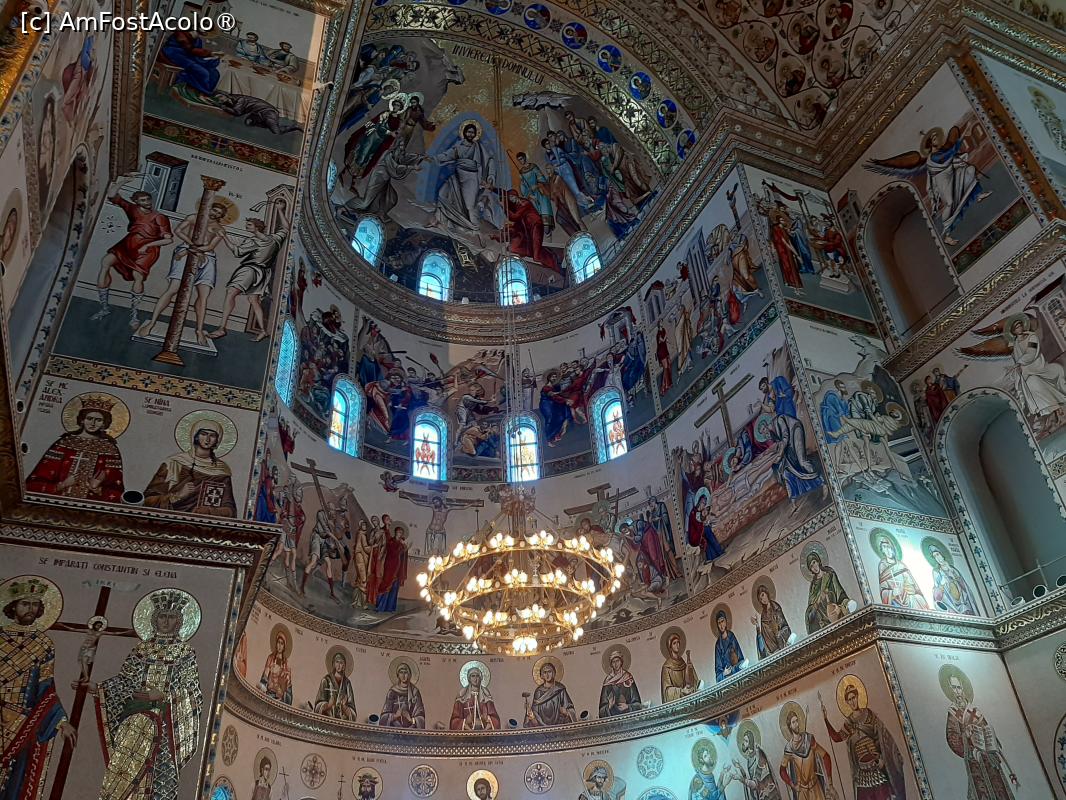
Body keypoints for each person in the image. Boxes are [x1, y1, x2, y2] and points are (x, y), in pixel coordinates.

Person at [92, 589, 203, 800]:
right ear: (154, 619)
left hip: (167, 724)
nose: (166, 621)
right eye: (162, 616)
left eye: (171, 617)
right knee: (127, 768)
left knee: (159, 777)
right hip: (134, 718)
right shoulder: (142, 650)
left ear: (179, 622)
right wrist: (99, 688)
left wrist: (162, 695)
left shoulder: (184, 652)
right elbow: (125, 680)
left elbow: (192, 690)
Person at [0, 577, 76, 800]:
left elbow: (46, 686)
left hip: (21, 722)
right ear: (13, 606)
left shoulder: (43, 644)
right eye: (25, 604)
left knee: (12, 780)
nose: (30, 609)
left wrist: (61, 721)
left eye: (35, 605)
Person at [137, 201, 233, 345]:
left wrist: (196, 251)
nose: (215, 214)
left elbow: (210, 246)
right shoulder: (193, 218)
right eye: (214, 210)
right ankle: (152, 323)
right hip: (185, 250)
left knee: (203, 296)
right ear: (209, 208)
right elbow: (178, 231)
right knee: (173, 289)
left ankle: (199, 330)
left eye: (219, 213)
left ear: (221, 216)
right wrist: (191, 247)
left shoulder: (219, 229)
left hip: (207, 258)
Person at [91, 189, 174, 325]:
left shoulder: (159, 217)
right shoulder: (133, 209)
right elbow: (111, 195)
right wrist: (124, 181)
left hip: (146, 250)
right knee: (106, 261)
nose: (147, 202)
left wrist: (147, 245)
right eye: (143, 200)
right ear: (136, 202)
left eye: (148, 199)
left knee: (138, 275)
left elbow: (168, 239)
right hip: (127, 246)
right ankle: (104, 307)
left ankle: (134, 315)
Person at [26, 395, 125, 502]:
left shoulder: (109, 450)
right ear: (82, 420)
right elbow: (35, 482)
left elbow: (116, 491)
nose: (93, 423)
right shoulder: (64, 443)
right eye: (89, 418)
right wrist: (62, 485)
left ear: (104, 424)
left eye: (98, 420)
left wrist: (97, 489)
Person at [822, 681, 906, 800]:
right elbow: (836, 738)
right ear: (847, 702)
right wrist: (826, 720)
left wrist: (882, 758)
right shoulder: (849, 723)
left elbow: (881, 737)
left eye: (854, 697)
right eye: (849, 699)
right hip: (862, 773)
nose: (852, 701)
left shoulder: (869, 715)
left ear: (857, 697)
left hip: (876, 767)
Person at [943, 667, 1017, 799]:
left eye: (959, 687)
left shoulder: (974, 711)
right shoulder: (953, 713)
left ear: (963, 688)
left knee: (999, 789)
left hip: (989, 759)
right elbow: (952, 736)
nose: (957, 691)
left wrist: (992, 741)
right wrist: (965, 735)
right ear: (950, 689)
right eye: (954, 688)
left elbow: (987, 730)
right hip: (974, 759)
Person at [209, 218, 287, 341]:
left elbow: (237, 252)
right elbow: (286, 228)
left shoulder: (253, 241)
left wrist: (224, 237)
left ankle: (222, 328)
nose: (247, 227)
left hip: (250, 270)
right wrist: (280, 211)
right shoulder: (275, 239)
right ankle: (263, 331)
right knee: (254, 300)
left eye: (249, 225)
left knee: (231, 292)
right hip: (263, 273)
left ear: (257, 227)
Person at [427, 122, 500, 231]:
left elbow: (489, 160)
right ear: (464, 132)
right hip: (458, 175)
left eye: (473, 132)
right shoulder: (459, 146)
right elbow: (448, 155)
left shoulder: (478, 147)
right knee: (443, 193)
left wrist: (490, 177)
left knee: (469, 205)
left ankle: (474, 227)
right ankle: (438, 220)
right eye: (469, 132)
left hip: (471, 177)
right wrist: (434, 158)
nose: (470, 134)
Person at [778, 705, 834, 800]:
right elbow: (782, 771)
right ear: (790, 726)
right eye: (793, 722)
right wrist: (792, 785)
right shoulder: (789, 748)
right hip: (802, 792)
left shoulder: (809, 739)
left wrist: (830, 782)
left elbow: (826, 756)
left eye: (797, 721)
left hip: (815, 787)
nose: (796, 724)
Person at [875, 533, 929, 610]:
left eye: (889, 547)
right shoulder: (882, 565)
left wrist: (909, 590)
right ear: (882, 550)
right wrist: (892, 593)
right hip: (895, 601)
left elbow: (912, 585)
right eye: (885, 547)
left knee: (919, 599)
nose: (888, 550)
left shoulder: (901, 565)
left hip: (909, 598)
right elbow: (883, 589)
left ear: (893, 549)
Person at [804, 550, 851, 633]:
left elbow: (840, 594)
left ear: (818, 561)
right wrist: (818, 601)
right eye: (811, 566)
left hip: (834, 614)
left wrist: (841, 607)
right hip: (822, 621)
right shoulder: (813, 585)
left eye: (814, 562)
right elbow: (811, 609)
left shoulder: (830, 575)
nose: (814, 567)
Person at [733, 726, 783, 800]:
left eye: (746, 741)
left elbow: (756, 784)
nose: (743, 743)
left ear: (750, 742)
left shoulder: (759, 756)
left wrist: (740, 779)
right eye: (744, 741)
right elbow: (750, 778)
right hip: (760, 795)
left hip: (769, 795)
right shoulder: (749, 760)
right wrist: (740, 767)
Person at [929, 545, 978, 615]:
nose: (937, 558)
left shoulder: (953, 569)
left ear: (942, 554)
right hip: (950, 603)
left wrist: (954, 575)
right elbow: (937, 595)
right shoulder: (936, 572)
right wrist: (942, 584)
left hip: (962, 600)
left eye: (938, 554)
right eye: (935, 556)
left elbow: (964, 586)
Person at [524, 660, 575, 727]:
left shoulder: (560, 689)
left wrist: (566, 712)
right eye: (545, 672)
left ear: (554, 673)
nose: (547, 675)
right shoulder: (538, 691)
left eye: (549, 672)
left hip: (560, 725)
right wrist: (531, 715)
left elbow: (569, 707)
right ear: (541, 675)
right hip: (542, 727)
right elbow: (535, 711)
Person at [450, 665, 500, 730]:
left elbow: (496, 720)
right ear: (469, 678)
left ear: (481, 678)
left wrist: (488, 719)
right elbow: (454, 721)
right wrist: (465, 722)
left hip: (485, 732)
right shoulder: (462, 698)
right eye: (473, 676)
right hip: (466, 733)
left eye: (477, 676)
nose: (475, 679)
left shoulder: (486, 697)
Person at [379, 661, 425, 728]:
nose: (403, 675)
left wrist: (411, 720)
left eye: (405, 672)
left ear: (409, 675)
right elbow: (383, 717)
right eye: (401, 672)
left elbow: (421, 718)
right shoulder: (392, 692)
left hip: (411, 730)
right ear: (398, 675)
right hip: (394, 729)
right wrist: (395, 716)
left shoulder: (415, 692)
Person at [313, 650, 357, 720]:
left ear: (344, 666)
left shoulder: (347, 683)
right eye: (337, 662)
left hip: (341, 721)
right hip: (327, 719)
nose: (339, 665)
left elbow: (353, 714)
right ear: (333, 664)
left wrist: (344, 707)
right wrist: (328, 705)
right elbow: (317, 707)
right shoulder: (326, 680)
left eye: (341, 663)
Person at [751, 584, 793, 658]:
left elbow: (785, 626)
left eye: (763, 595)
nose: (763, 600)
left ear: (766, 593)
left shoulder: (776, 607)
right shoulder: (763, 616)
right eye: (760, 599)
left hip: (782, 644)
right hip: (773, 650)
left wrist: (778, 633)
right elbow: (764, 637)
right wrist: (757, 625)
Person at [374, 524, 408, 612]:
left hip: (398, 568)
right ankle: (380, 607)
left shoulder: (402, 543)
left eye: (401, 532)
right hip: (390, 567)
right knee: (386, 584)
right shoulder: (391, 541)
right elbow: (393, 553)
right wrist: (402, 547)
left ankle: (390, 608)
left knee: (394, 587)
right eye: (398, 532)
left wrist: (405, 548)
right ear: (395, 532)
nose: (400, 534)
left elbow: (403, 555)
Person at [598, 650, 641, 717]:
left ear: (621, 662)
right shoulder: (607, 682)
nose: (616, 664)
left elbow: (638, 705)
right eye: (613, 662)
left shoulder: (628, 677)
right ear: (611, 664)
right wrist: (609, 706)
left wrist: (628, 706)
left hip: (629, 716)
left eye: (617, 661)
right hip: (613, 719)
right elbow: (601, 712)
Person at [660, 631, 701, 702]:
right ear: (670, 647)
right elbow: (667, 691)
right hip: (678, 702)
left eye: (678, 642)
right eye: (674, 643)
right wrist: (681, 691)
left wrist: (690, 669)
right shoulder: (666, 667)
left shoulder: (683, 663)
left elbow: (691, 683)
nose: (677, 645)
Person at [687, 490, 725, 562]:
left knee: (707, 531)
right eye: (703, 503)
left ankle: (711, 557)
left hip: (698, 534)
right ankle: (719, 551)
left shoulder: (698, 511)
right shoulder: (694, 512)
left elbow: (701, 523)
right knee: (708, 531)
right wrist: (704, 523)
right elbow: (697, 526)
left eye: (705, 503)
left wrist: (704, 520)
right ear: (699, 502)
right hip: (694, 537)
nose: (704, 505)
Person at [258, 629, 293, 704]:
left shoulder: (286, 664)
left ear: (284, 646)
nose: (279, 645)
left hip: (279, 699)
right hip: (268, 694)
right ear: (276, 643)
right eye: (278, 642)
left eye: (282, 643)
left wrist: (282, 692)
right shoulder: (270, 658)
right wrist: (263, 687)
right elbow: (265, 677)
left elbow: (288, 686)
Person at [713, 609, 745, 682]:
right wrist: (724, 673)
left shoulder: (732, 636)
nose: (721, 625)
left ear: (726, 622)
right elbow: (718, 670)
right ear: (717, 625)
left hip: (737, 669)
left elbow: (740, 657)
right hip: (727, 675)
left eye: (722, 621)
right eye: (719, 623)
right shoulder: (718, 645)